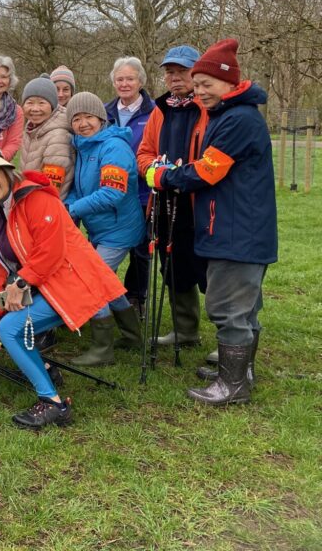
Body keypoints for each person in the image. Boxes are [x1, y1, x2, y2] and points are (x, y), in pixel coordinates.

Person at [147, 38, 277, 405]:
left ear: (230, 83)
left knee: (228, 307)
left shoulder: (238, 120)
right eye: (197, 83)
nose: (200, 91)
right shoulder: (230, 115)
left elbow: (206, 172)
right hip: (239, 227)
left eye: (207, 84)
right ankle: (239, 372)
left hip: (237, 230)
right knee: (244, 307)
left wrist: (163, 177)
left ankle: (232, 385)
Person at [0, 147, 124, 429]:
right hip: (44, 285)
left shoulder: (35, 198)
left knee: (11, 329)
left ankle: (53, 403)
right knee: (6, 324)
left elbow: (51, 250)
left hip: (73, 283)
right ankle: (47, 371)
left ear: (7, 171)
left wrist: (22, 283)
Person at [63, 92, 144, 366]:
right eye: (76, 118)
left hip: (120, 229)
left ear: (101, 118)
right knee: (106, 281)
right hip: (100, 228)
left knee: (92, 280)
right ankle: (133, 336)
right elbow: (77, 188)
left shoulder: (114, 148)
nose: (83, 123)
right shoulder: (83, 147)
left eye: (88, 117)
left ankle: (102, 348)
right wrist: (67, 204)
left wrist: (72, 210)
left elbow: (112, 193)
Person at [136, 45, 208, 348]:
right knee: (173, 266)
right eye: (170, 72)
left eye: (182, 71)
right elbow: (144, 153)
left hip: (200, 202)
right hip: (164, 201)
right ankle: (185, 329)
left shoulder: (208, 108)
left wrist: (184, 176)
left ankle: (230, 338)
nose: (175, 78)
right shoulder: (160, 109)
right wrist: (157, 173)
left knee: (209, 269)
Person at [105, 57, 156, 314]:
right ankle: (105, 297)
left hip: (142, 193)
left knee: (140, 250)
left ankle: (136, 298)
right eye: (120, 79)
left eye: (130, 79)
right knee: (104, 245)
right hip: (110, 191)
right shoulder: (105, 112)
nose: (124, 84)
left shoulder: (155, 112)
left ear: (140, 81)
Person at [17, 76, 74, 199]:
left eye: (42, 103)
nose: (35, 109)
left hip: (46, 206)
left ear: (52, 106)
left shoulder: (58, 137)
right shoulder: (32, 129)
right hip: (29, 198)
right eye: (30, 102)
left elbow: (52, 186)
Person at [0, 55, 24, 160]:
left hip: (1, 164)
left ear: (10, 80)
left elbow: (14, 142)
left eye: (4, 77)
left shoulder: (16, 111)